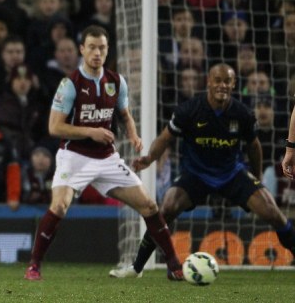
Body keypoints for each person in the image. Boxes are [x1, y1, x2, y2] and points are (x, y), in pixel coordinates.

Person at [24, 25, 183, 281]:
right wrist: (91, 132)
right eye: (92, 48)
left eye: (102, 48)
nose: (97, 53)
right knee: (60, 206)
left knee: (150, 205)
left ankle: (175, 265)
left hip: (107, 158)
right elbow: (54, 127)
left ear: (107, 50)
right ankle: (34, 265)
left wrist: (133, 135)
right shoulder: (70, 84)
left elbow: (125, 116)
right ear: (82, 50)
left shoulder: (116, 82)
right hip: (73, 155)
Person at [112, 63, 295, 279]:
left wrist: (257, 177)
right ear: (208, 82)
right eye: (217, 80)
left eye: (227, 81)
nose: (222, 85)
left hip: (231, 173)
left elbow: (254, 147)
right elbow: (165, 138)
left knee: (273, 213)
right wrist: (149, 158)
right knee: (167, 208)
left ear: (234, 84)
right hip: (196, 173)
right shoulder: (190, 110)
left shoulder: (241, 113)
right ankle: (137, 267)